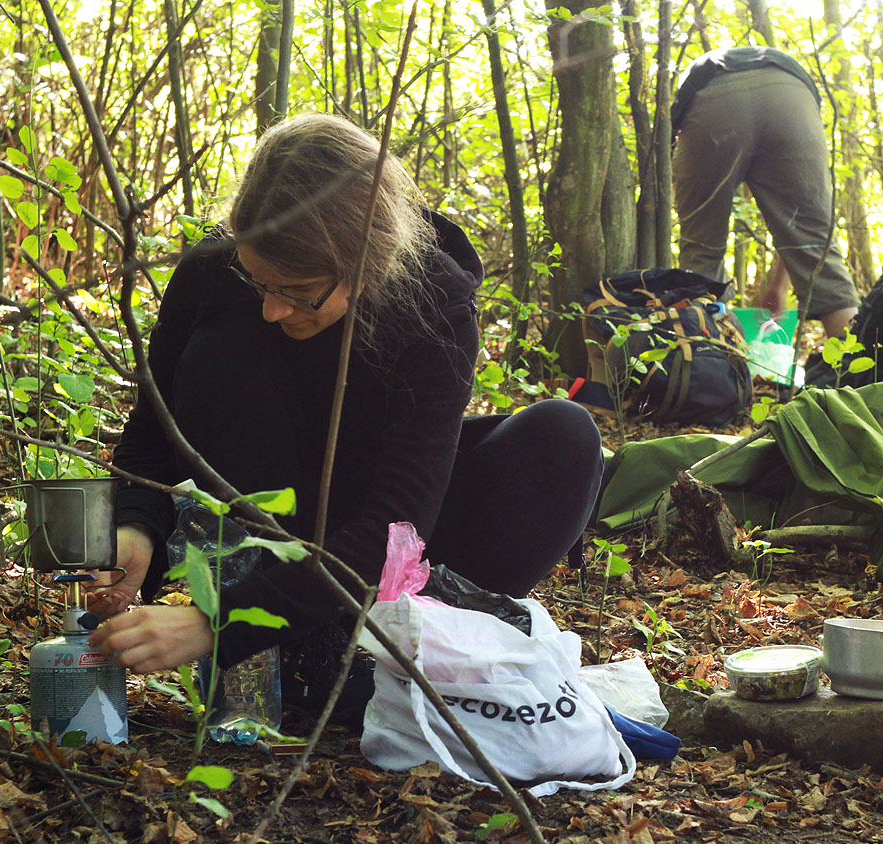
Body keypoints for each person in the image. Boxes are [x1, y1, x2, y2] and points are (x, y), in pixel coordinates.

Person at [87, 114, 603, 698]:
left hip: (377, 557)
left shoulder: (434, 304)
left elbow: (400, 520)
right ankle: (298, 643)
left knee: (564, 436)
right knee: (224, 350)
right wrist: (136, 527)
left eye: (298, 292)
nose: (273, 310)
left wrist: (219, 624)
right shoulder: (212, 271)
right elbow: (153, 434)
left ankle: (393, 650)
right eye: (259, 282)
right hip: (257, 541)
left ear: (366, 264)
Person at [671, 45, 859, 340]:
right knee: (817, 250)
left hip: (712, 95)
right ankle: (861, 369)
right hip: (792, 94)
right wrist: (777, 286)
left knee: (701, 255)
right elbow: (797, 227)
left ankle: (708, 363)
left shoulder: (699, 74)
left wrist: (777, 287)